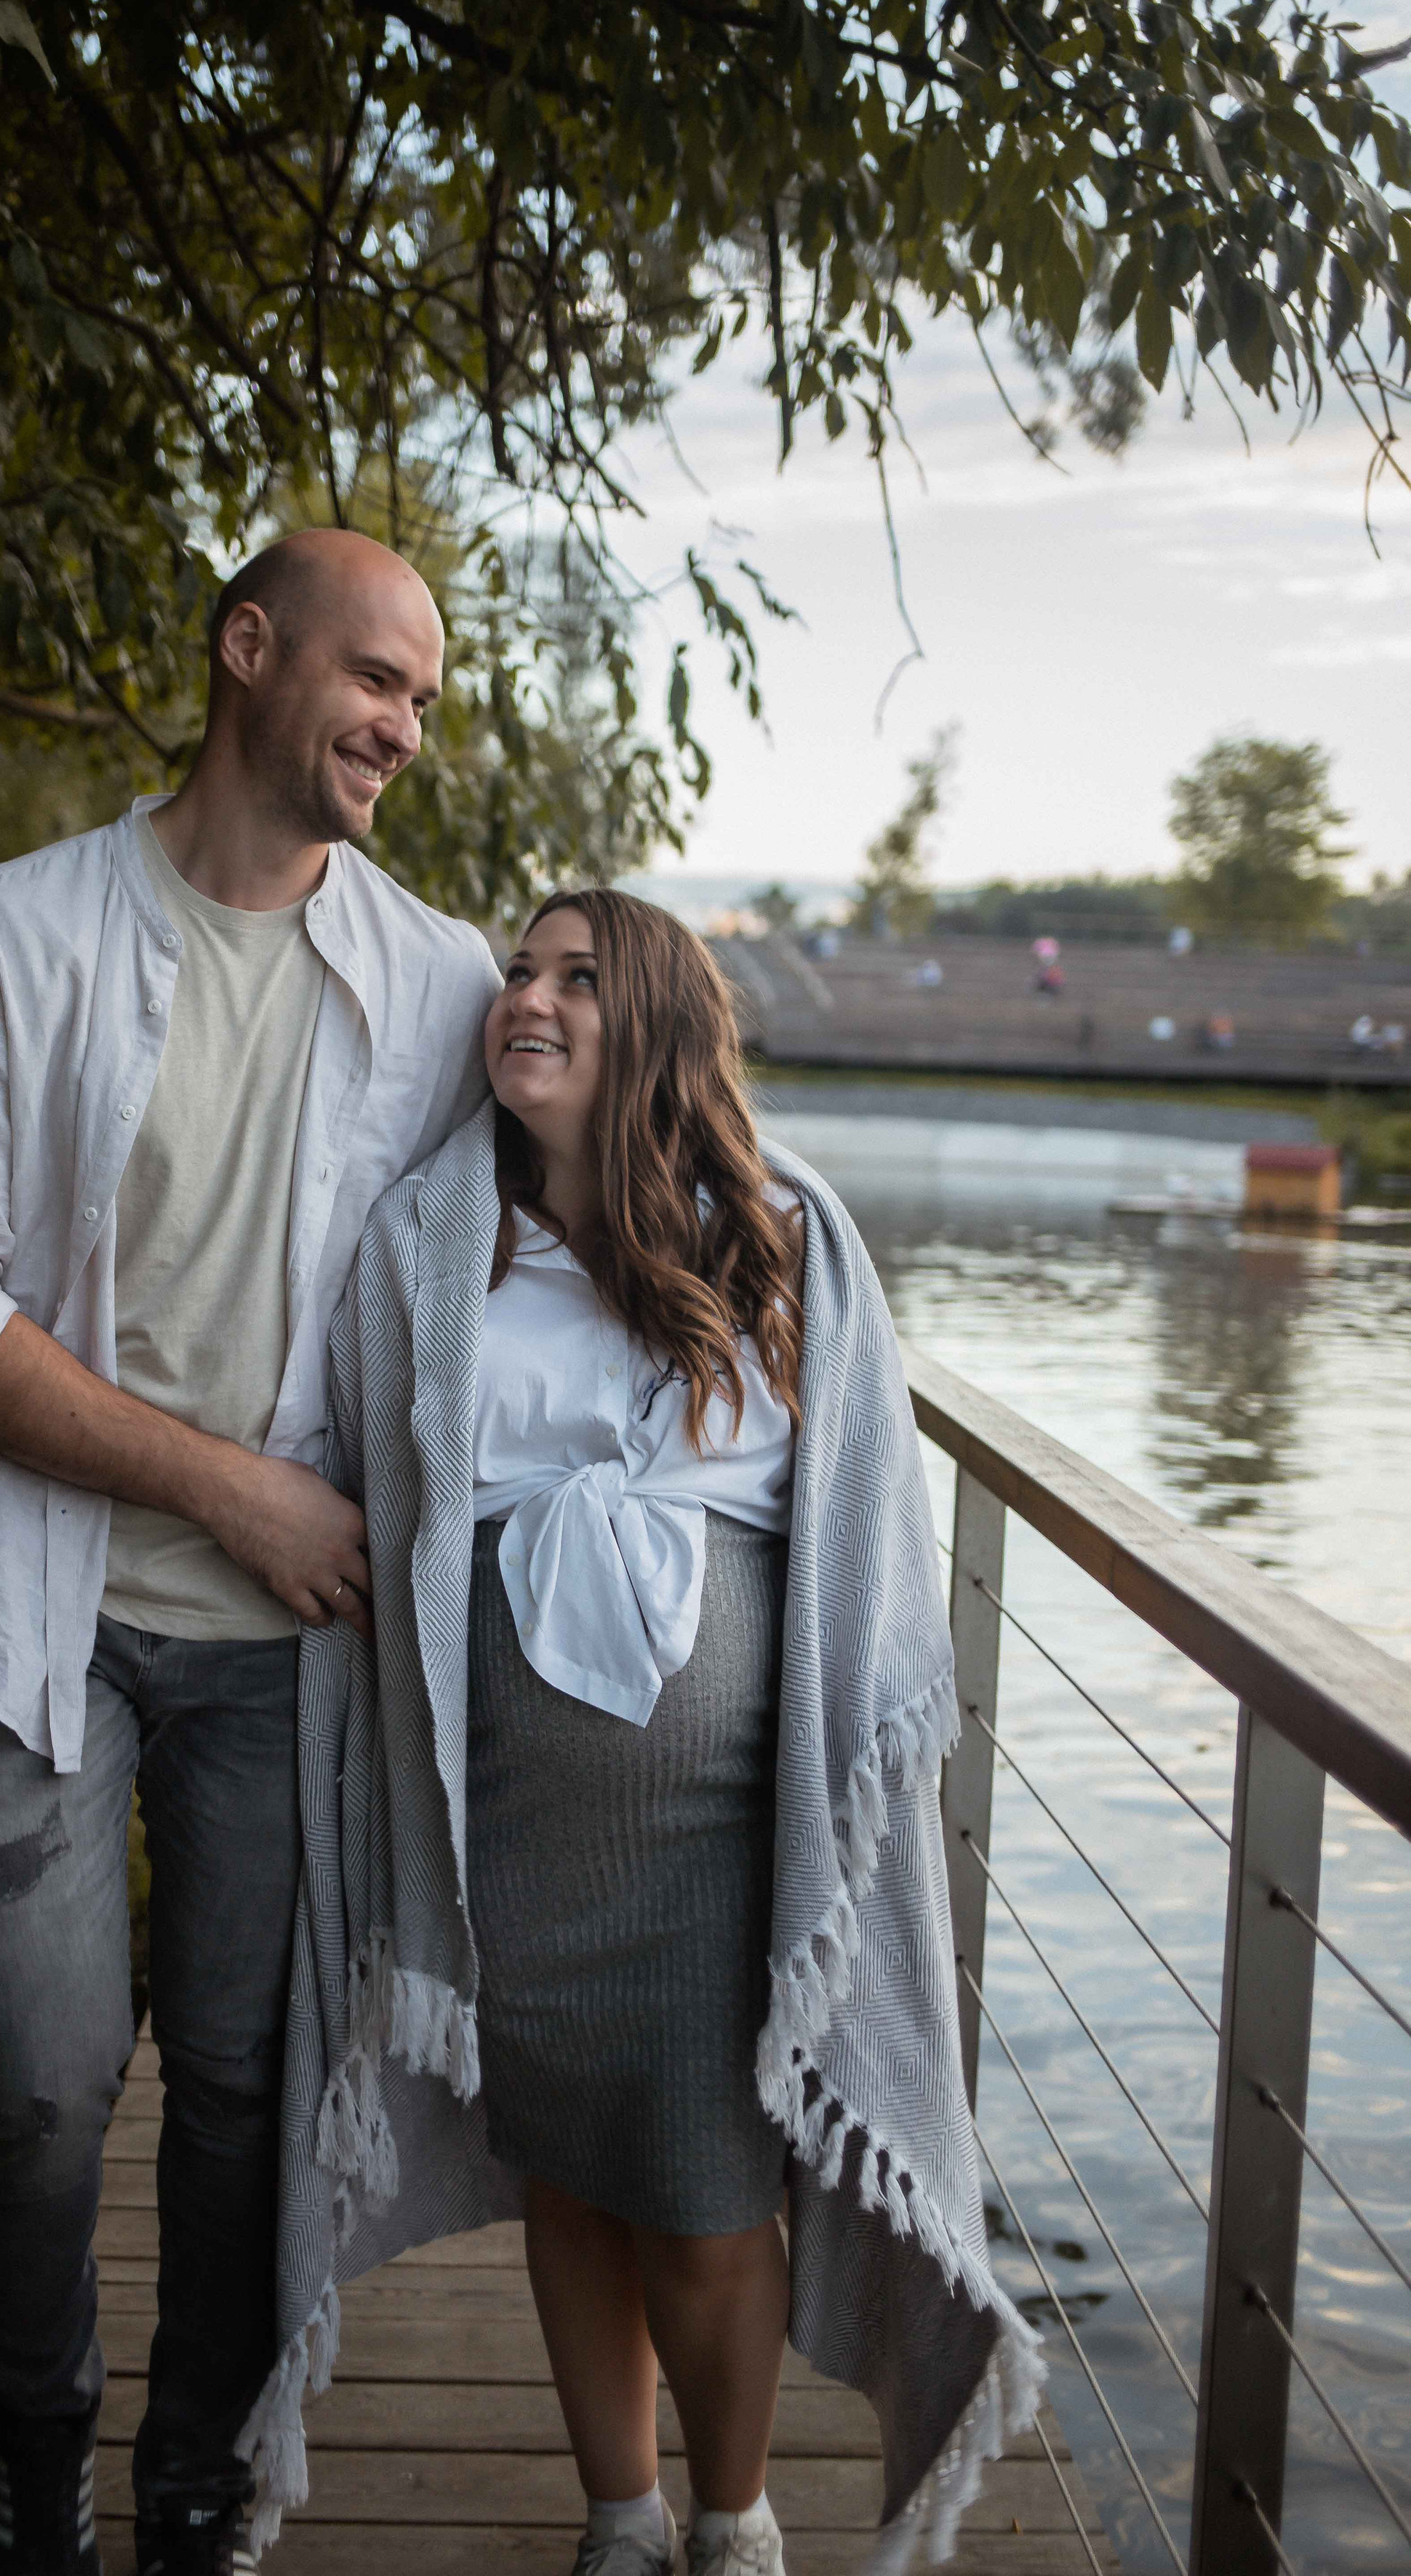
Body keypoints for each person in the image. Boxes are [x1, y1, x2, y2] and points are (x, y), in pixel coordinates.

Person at [0, 530, 499, 2576]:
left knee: (239, 2096)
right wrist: (228, 1486)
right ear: (248, 651)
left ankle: (196, 2482)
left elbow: (604, 1192)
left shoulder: (445, 983)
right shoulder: (11, 939)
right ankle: (36, 2450)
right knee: (39, 2097)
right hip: (21, 1615)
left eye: (422, 699)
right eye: (374, 677)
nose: (402, 726)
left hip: (284, 1666)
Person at [252, 890, 1041, 2576]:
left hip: (712, 1831)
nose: (523, 997)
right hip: (510, 1824)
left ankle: (729, 2520)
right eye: (515, 974)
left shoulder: (779, 1231)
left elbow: (856, 1524)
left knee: (700, 2189)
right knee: (567, 2171)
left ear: (659, 1027)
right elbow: (375, 1486)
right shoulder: (431, 1241)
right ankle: (617, 2518)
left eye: (573, 979)